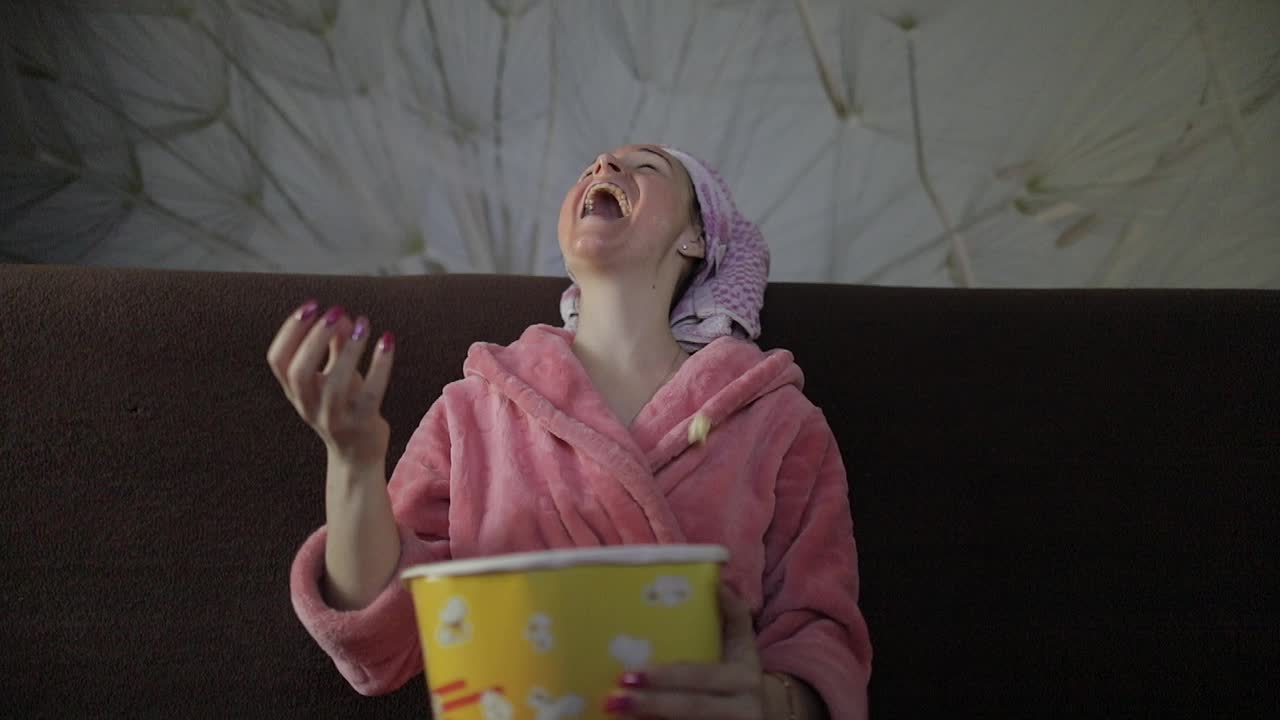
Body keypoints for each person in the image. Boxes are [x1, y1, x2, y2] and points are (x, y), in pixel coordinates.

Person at [268, 145, 872, 719]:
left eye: (647, 166)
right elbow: (385, 633)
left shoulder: (780, 422)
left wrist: (772, 704)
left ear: (698, 235)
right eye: (592, 166)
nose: (605, 164)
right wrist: (351, 463)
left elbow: (820, 634)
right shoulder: (474, 408)